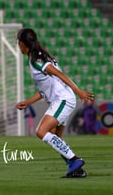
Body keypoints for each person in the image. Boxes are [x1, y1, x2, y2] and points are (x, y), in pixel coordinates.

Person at [14, 28, 95, 178]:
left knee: (41, 131)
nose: (18, 46)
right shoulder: (38, 56)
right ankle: (76, 169)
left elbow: (60, 74)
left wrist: (79, 91)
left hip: (63, 99)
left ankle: (74, 160)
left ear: (23, 44)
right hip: (63, 98)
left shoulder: (36, 60)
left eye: (18, 43)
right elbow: (45, 89)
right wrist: (27, 102)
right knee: (55, 136)